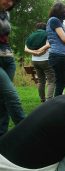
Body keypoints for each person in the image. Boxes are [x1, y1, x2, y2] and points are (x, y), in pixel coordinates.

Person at [0, 0, 25, 137]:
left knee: (3, 99)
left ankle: (2, 137)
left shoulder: (6, 14)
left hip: (8, 58)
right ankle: (29, 134)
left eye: (13, 1)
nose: (10, 3)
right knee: (11, 95)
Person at [46, 2, 65, 96]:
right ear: (60, 12)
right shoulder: (54, 20)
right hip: (58, 56)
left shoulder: (55, 21)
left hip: (62, 56)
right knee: (61, 83)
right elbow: (64, 39)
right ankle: (57, 106)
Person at [25, 22, 55, 103]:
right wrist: (40, 51)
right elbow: (49, 45)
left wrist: (35, 53)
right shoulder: (47, 34)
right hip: (46, 60)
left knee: (41, 81)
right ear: (45, 28)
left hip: (35, 61)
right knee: (51, 81)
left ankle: (42, 99)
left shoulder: (31, 36)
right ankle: (49, 101)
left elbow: (26, 49)